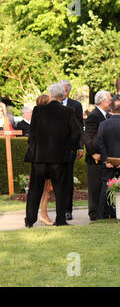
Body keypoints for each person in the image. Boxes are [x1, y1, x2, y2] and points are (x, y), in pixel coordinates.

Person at [24, 83, 81, 227]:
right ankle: (60, 220)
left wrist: (33, 149)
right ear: (63, 96)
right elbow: (76, 133)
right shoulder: (68, 111)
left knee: (35, 191)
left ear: (50, 95)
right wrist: (70, 149)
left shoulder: (38, 110)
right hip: (59, 159)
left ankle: (30, 220)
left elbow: (32, 134)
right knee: (60, 190)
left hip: (39, 158)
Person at [24, 95, 53, 226]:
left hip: (36, 159)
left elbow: (31, 139)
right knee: (45, 189)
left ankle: (30, 219)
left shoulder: (35, 117)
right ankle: (43, 214)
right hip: (47, 159)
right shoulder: (47, 119)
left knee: (34, 190)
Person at [84, 90, 111, 221]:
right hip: (94, 159)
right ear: (102, 101)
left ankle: (103, 212)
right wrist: (93, 153)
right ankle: (93, 214)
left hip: (103, 157)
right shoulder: (94, 116)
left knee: (102, 187)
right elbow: (88, 136)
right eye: (109, 100)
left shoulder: (106, 115)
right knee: (94, 188)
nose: (110, 102)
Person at [59, 79, 84, 221]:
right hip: (54, 148)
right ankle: (58, 210)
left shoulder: (76, 105)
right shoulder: (53, 104)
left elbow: (80, 127)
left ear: (68, 91)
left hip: (69, 149)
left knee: (68, 180)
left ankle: (68, 210)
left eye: (65, 90)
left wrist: (80, 146)